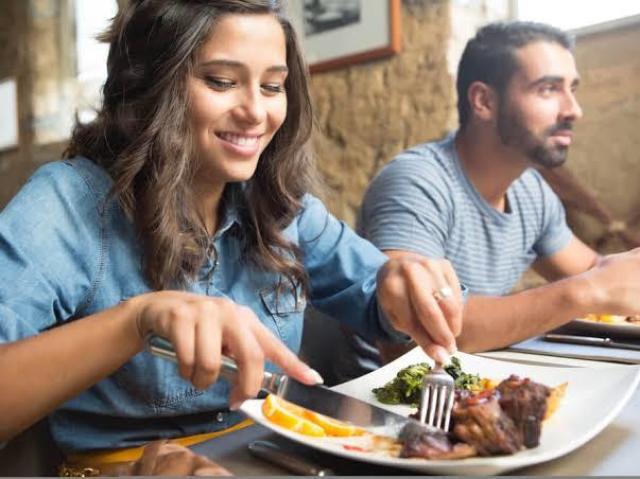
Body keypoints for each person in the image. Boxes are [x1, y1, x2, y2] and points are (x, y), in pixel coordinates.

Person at [0, 0, 463, 473]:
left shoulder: (280, 206)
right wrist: (135, 321)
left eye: (273, 86)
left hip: (283, 454)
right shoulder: (66, 203)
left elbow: (376, 297)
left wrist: (402, 284)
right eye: (221, 82)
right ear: (150, 84)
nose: (255, 113)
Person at [337, 20, 640, 381]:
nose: (573, 109)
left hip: (480, 381)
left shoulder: (530, 190)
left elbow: (599, 273)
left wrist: (607, 283)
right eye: (548, 89)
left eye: (571, 89)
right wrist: (588, 291)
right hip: (388, 399)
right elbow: (419, 328)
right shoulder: (417, 182)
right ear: (484, 101)